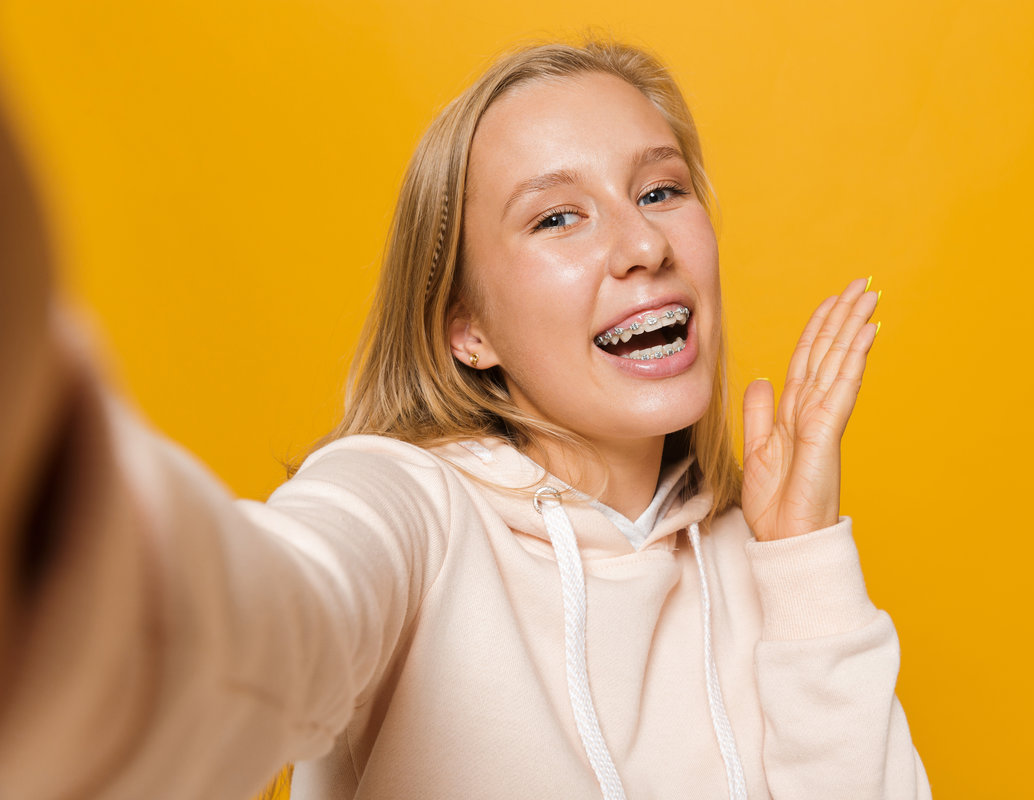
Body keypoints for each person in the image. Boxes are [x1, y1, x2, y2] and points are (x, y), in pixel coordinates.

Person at [0, 39, 931, 799]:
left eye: (659, 190)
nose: (644, 245)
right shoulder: (406, 504)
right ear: (467, 328)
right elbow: (259, 627)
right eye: (557, 218)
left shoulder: (760, 560)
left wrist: (803, 558)